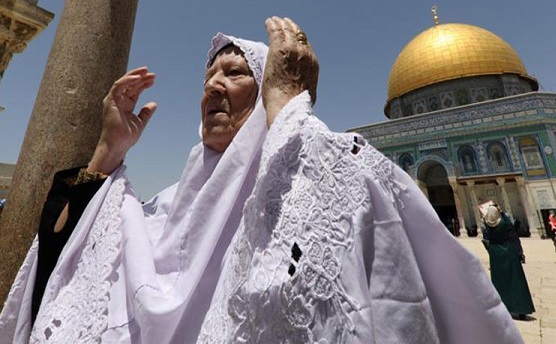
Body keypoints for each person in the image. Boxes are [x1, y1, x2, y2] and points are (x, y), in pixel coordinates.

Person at [0, 17, 523, 343]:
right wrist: (108, 152)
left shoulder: (312, 179)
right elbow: (62, 271)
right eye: (209, 76)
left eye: (234, 72)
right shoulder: (165, 207)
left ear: (269, 88)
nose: (213, 86)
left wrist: (289, 114)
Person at [481, 204, 535, 320]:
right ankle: (521, 309)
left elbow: (486, 238)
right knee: (516, 281)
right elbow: (514, 238)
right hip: (509, 252)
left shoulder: (487, 226)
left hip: (496, 255)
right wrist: (520, 253)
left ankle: (503, 307)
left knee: (500, 282)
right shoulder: (505, 224)